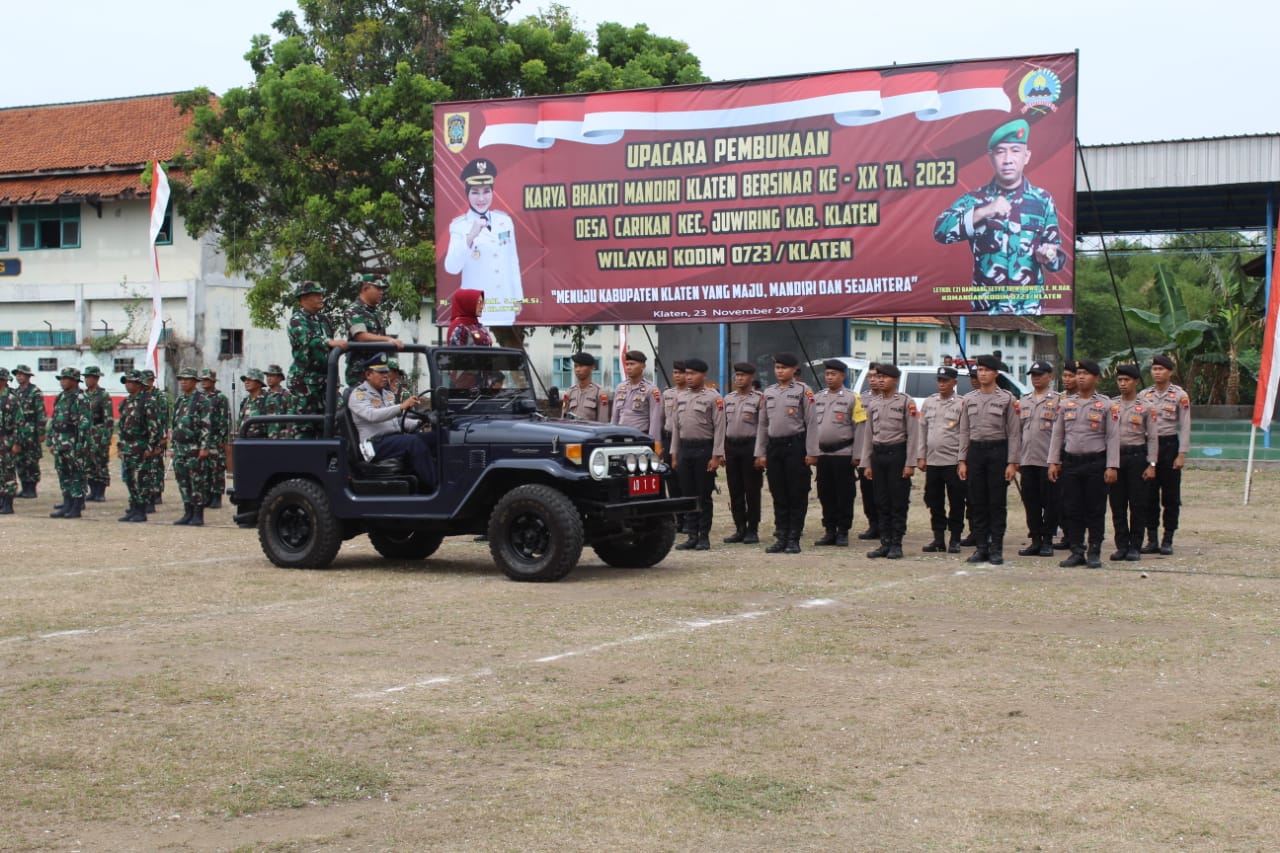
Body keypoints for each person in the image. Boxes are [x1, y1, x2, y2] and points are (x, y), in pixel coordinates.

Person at [933, 119, 1067, 315]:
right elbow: (941, 231)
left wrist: (1048, 256)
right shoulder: (974, 199)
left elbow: (1056, 261)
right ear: (991, 157)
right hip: (984, 311)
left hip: (1029, 310)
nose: (1007, 159)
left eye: (1015, 150)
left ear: (1026, 156)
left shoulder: (1043, 200)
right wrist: (984, 211)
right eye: (1001, 151)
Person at [1049, 359, 1114, 568]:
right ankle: (1077, 550)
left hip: (1096, 462)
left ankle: (1094, 550)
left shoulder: (1106, 405)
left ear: (1095, 377)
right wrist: (1053, 461)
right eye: (1078, 373)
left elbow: (1113, 438)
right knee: (1072, 508)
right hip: (1071, 463)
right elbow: (1057, 435)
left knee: (1095, 509)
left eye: (1086, 373)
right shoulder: (1066, 403)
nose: (1081, 377)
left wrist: (1112, 466)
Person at [443, 157, 523, 326]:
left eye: (486, 191)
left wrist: (517, 297)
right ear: (467, 194)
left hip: (503, 305)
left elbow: (512, 261)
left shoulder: (504, 221)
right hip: (477, 309)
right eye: (475, 192)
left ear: (492, 192)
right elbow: (451, 267)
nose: (481, 198)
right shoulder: (459, 226)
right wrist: (470, 236)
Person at [960, 354, 1022, 565]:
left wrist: (1012, 462)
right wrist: (962, 460)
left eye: (987, 370)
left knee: (996, 503)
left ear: (995, 373)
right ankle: (981, 547)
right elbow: (964, 431)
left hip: (998, 451)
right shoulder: (968, 399)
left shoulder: (1007, 399)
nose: (982, 373)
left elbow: (1014, 433)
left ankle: (996, 547)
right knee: (977, 503)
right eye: (980, 370)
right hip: (976, 452)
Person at [347, 354, 437, 492]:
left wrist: (421, 421)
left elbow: (397, 421)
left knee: (435, 438)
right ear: (368, 374)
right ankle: (436, 488)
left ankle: (436, 482)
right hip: (374, 444)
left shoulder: (386, 394)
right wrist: (401, 406)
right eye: (380, 372)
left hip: (392, 439)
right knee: (412, 442)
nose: (385, 375)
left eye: (386, 372)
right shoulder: (359, 395)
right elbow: (372, 415)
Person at [858, 363, 919, 559]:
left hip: (897, 454)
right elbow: (868, 434)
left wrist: (910, 463)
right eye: (878, 376)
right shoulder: (874, 403)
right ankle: (884, 542)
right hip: (878, 455)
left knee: (897, 501)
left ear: (895, 380)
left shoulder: (905, 402)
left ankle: (896, 543)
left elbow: (913, 434)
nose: (881, 380)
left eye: (885, 377)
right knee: (881, 500)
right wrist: (866, 462)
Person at [754, 352, 813, 554]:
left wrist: (812, 451)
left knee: (796, 493)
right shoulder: (768, 392)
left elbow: (812, 424)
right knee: (778, 493)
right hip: (774, 448)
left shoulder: (803, 391)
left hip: (795, 447)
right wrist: (760, 452)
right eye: (777, 368)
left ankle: (794, 537)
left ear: (794, 370)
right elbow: (762, 424)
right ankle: (781, 536)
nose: (780, 371)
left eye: (784, 368)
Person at [806, 359, 863, 547]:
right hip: (823, 455)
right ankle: (829, 530)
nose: (829, 377)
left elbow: (860, 427)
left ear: (843, 376)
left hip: (843, 453)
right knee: (825, 493)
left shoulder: (853, 398)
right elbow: (812, 427)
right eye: (827, 374)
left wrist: (857, 454)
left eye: (834, 374)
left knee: (844, 494)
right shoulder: (818, 397)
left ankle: (843, 531)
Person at [1138, 354, 1192, 555]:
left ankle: (1168, 538)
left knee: (1170, 496)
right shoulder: (1144, 395)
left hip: (1169, 445)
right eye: (1154, 369)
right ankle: (1151, 538)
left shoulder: (1180, 395)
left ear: (1170, 372)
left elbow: (1185, 425)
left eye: (1161, 369)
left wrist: (1182, 453)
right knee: (1148, 495)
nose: (1157, 373)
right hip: (1148, 447)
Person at [670, 358, 725, 551]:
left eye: (693, 373)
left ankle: (704, 536)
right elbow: (676, 428)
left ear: (703, 375)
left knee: (703, 495)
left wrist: (717, 455)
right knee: (688, 494)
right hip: (685, 449)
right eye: (687, 373)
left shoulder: (713, 397)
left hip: (704, 450)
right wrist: (674, 454)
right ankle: (691, 535)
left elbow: (720, 428)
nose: (689, 377)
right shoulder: (680, 397)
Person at [1108, 364, 1159, 561]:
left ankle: (1135, 546)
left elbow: (1153, 438)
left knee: (1137, 504)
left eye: (1126, 380)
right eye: (1120, 380)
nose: (1122, 384)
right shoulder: (1112, 406)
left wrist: (1152, 464)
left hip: (1138, 457)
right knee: (1117, 504)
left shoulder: (1147, 407)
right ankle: (1121, 545)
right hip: (1116, 457)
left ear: (1136, 381)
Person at [917, 366, 968, 554]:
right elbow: (922, 431)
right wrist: (921, 456)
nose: (941, 384)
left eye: (945, 380)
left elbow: (965, 434)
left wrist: (962, 459)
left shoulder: (962, 404)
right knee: (934, 501)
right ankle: (938, 538)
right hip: (933, 461)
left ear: (954, 382)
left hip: (953, 462)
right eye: (939, 380)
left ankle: (955, 538)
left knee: (956, 502)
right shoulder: (929, 402)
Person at [288, 281, 348, 439]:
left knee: (339, 419)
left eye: (321, 294)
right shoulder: (297, 319)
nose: (321, 298)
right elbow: (308, 341)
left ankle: (336, 461)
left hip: (326, 381)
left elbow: (331, 355)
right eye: (316, 295)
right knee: (305, 428)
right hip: (305, 383)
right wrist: (329, 342)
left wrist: (335, 381)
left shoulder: (324, 320)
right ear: (303, 298)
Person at [1016, 360, 1062, 557]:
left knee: (1051, 502)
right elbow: (1017, 432)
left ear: (1050, 376)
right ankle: (1035, 539)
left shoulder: (1059, 400)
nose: (1036, 378)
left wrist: (1058, 460)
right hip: (1028, 460)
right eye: (1033, 375)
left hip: (1048, 460)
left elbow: (1062, 434)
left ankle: (1048, 540)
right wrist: (1016, 457)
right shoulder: (1023, 401)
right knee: (1031, 502)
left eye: (1040, 374)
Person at [722, 362, 764, 544]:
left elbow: (763, 428)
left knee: (752, 490)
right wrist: (721, 451)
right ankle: (739, 527)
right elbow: (723, 426)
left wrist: (760, 453)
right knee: (734, 489)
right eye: (737, 375)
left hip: (750, 447)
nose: (739, 378)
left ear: (751, 377)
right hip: (732, 447)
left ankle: (752, 529)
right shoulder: (728, 399)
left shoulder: (759, 399)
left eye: (743, 375)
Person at [116, 370, 163, 523]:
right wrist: (120, 446)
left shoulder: (148, 401)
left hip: (141, 446)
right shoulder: (126, 402)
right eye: (127, 382)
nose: (128, 385)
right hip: (128, 446)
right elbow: (122, 427)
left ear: (139, 384)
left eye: (131, 382)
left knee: (142, 479)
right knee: (129, 478)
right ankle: (134, 507)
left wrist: (150, 447)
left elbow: (154, 427)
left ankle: (141, 510)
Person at [170, 367, 214, 527]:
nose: (183, 382)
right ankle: (187, 511)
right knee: (183, 482)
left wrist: (204, 447)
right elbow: (174, 424)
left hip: (194, 447)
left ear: (195, 382)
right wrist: (173, 447)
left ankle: (198, 514)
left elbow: (206, 426)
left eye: (187, 379)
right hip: (180, 448)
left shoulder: (202, 400)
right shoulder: (179, 400)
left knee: (197, 481)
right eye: (181, 379)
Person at [46, 367, 91, 519]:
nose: (62, 382)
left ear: (74, 381)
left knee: (76, 474)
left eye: (65, 379)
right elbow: (54, 419)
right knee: (63, 473)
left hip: (73, 442)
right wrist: (51, 440)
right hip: (60, 441)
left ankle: (76, 507)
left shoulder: (80, 398)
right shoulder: (61, 397)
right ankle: (67, 504)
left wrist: (80, 445)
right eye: (61, 379)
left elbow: (84, 424)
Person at [343, 276, 403, 387]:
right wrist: (388, 339)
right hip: (361, 373)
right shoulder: (354, 310)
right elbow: (361, 337)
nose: (381, 292)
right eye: (378, 288)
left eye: (382, 289)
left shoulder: (376, 313)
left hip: (379, 372)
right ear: (365, 289)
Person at [611, 351, 663, 441]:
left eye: (632, 364)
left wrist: (654, 442)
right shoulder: (620, 388)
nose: (628, 367)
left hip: (640, 436)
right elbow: (615, 416)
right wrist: (611, 436)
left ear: (643, 366)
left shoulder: (651, 389)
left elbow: (655, 420)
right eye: (627, 364)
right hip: (620, 435)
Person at [855, 364, 881, 541]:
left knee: (885, 491)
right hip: (865, 453)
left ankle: (886, 525)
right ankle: (873, 524)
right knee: (867, 491)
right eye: (870, 376)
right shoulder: (861, 399)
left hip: (884, 451)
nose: (873, 379)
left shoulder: (896, 399)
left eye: (876, 376)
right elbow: (856, 426)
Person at [199, 369, 231, 509]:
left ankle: (217, 496)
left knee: (216, 468)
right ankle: (206, 495)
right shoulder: (199, 397)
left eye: (207, 379)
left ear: (213, 381)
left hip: (216, 438)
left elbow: (225, 419)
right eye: (203, 379)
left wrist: (223, 438)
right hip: (202, 439)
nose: (204, 382)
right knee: (204, 469)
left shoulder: (220, 398)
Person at [81, 365, 114, 502]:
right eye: (86, 377)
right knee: (88, 464)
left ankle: (100, 492)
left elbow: (108, 419)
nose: (87, 380)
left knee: (100, 463)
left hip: (99, 433)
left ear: (96, 378)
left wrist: (106, 437)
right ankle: (93, 490)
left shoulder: (103, 395)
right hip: (85, 434)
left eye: (90, 377)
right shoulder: (83, 395)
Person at [12, 364, 45, 499]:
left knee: (31, 460)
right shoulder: (15, 392)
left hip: (31, 430)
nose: (18, 376)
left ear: (28, 376)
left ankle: (31, 488)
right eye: (17, 374)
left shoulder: (35, 392)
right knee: (20, 460)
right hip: (19, 431)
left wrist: (41, 431)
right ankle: (25, 487)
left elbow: (40, 413)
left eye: (21, 374)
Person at [141, 369, 168, 508]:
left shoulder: (159, 397)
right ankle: (147, 492)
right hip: (145, 436)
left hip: (157, 435)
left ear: (152, 381)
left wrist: (163, 438)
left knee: (156, 465)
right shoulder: (142, 396)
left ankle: (157, 492)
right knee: (145, 466)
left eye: (147, 382)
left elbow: (163, 418)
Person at [561, 352, 610, 422]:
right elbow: (563, 418)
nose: (577, 369)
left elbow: (602, 421)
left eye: (581, 366)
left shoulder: (599, 393)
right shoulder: (570, 392)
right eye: (575, 366)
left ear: (592, 367)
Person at [0, 368, 19, 514]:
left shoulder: (11, 398)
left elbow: (19, 422)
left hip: (7, 439)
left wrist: (17, 442)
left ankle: (8, 503)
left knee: (8, 471)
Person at [263, 364, 294, 439]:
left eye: (272, 376)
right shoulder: (264, 396)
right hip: (264, 438)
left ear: (279, 378)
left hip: (280, 438)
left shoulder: (287, 396)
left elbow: (290, 420)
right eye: (267, 376)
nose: (269, 378)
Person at [239, 369, 271, 438]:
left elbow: (273, 427)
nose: (246, 382)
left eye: (250, 379)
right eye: (245, 380)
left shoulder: (268, 400)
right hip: (245, 443)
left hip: (261, 443)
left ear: (259, 383)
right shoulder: (245, 401)